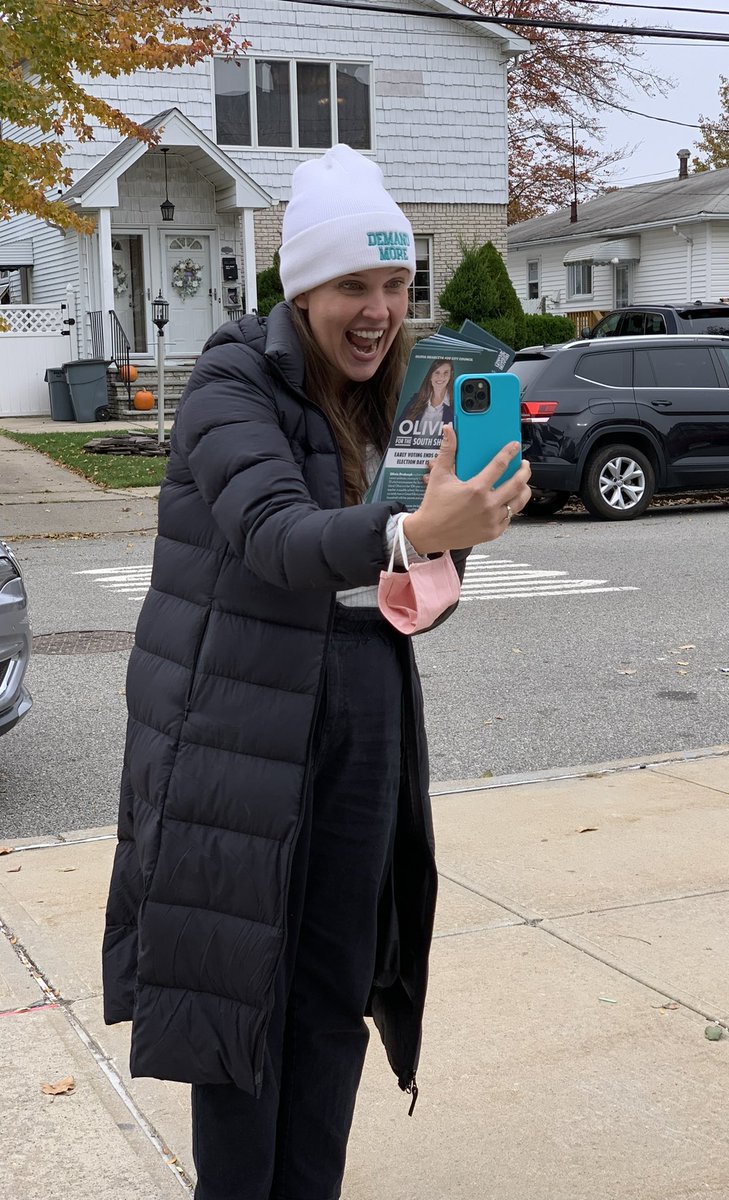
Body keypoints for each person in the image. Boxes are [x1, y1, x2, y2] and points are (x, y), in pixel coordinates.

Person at [101, 142, 531, 1200]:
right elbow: (276, 537)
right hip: (237, 742)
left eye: (395, 284)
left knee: (334, 999)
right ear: (302, 290)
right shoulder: (229, 382)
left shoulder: (402, 396)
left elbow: (404, 589)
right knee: (243, 1014)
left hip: (360, 734)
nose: (379, 311)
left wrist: (448, 539)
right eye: (353, 286)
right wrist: (410, 531)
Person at [400, 358, 455, 435]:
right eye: (437, 372)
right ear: (430, 376)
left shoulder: (456, 405)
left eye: (446, 373)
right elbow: (398, 429)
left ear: (450, 376)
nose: (441, 377)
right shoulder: (415, 400)